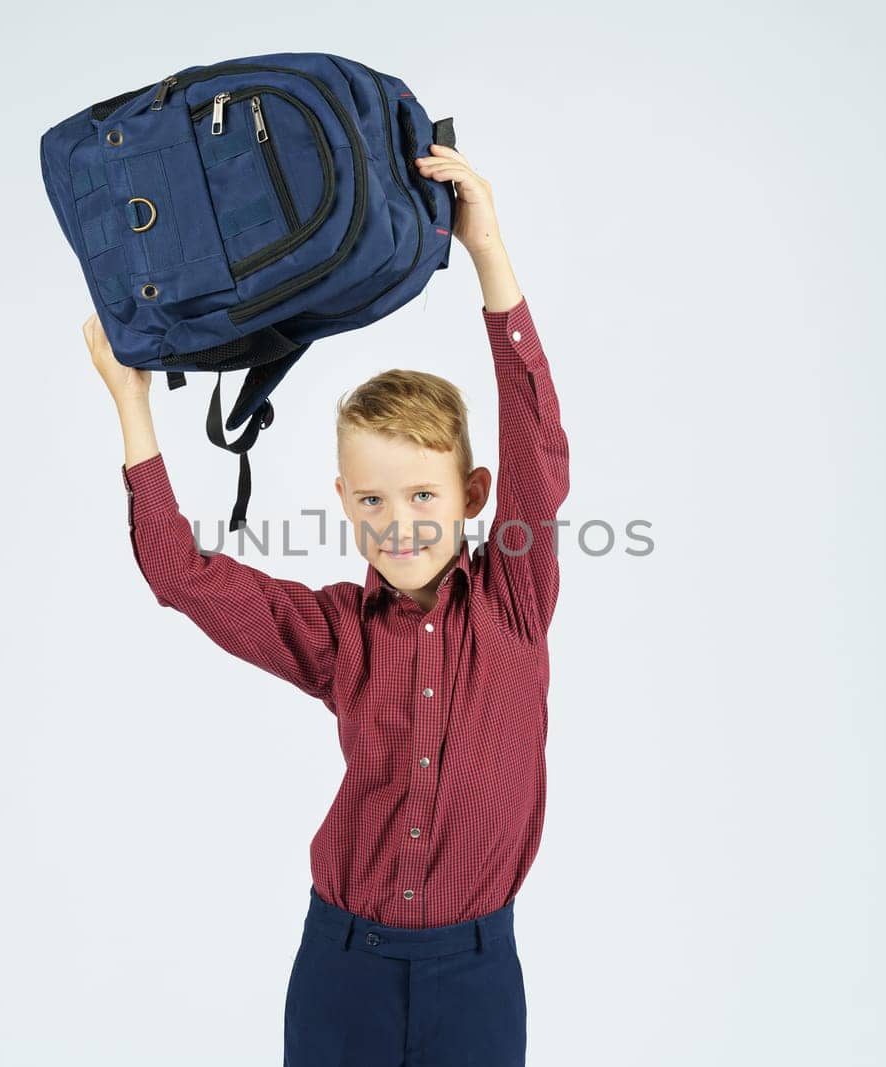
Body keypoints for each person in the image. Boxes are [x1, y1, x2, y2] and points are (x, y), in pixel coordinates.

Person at [85, 141, 569, 1066]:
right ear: (345, 500)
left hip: (475, 969)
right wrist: (133, 409)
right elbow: (185, 578)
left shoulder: (515, 596)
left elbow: (539, 447)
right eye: (375, 500)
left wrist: (489, 253)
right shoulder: (336, 634)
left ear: (472, 494)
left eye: (424, 497)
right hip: (342, 962)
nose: (400, 524)